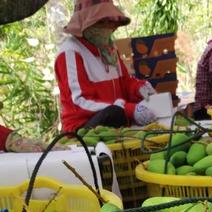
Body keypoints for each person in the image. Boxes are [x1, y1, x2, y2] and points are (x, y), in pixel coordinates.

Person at [55, 0, 158, 132]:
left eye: (109, 21)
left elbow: (125, 83)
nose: (107, 27)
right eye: (101, 22)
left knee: (122, 112)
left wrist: (138, 88)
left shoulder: (109, 49)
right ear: (85, 23)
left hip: (115, 121)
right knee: (114, 113)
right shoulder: (70, 51)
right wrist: (126, 109)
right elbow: (78, 102)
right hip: (82, 127)